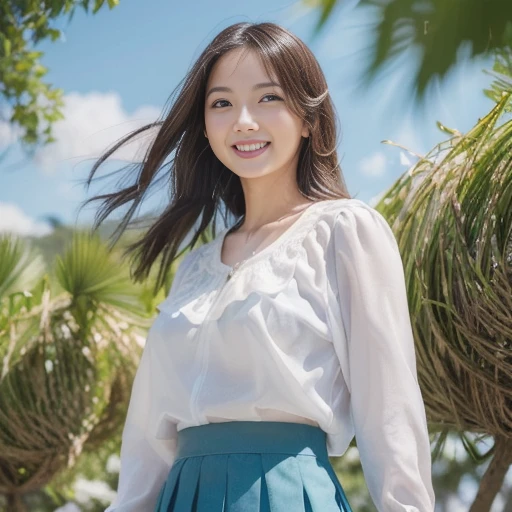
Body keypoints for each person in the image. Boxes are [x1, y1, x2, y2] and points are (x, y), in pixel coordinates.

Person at [87, 21, 435, 512]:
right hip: (181, 499)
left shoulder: (345, 231)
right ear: (205, 125)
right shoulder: (194, 269)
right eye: (222, 103)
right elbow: (148, 436)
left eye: (268, 98)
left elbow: (390, 410)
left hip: (286, 494)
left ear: (309, 118)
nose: (243, 121)